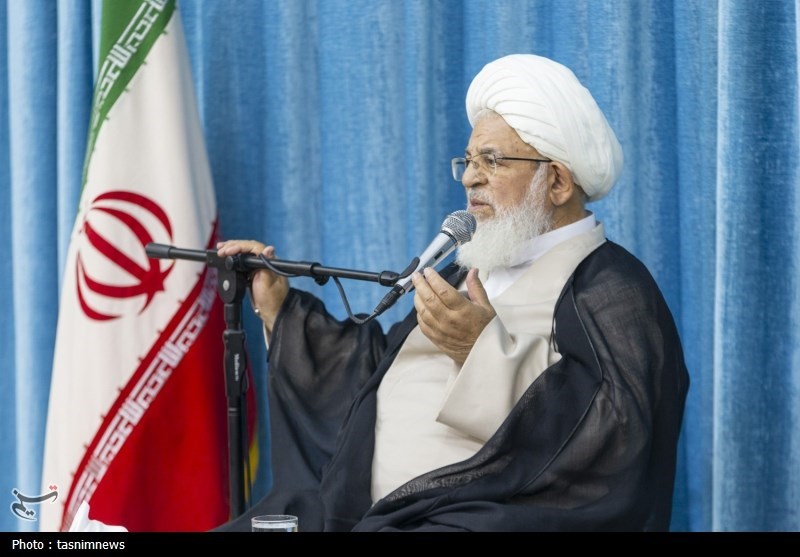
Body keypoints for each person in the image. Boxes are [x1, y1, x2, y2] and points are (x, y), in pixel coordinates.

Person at [214, 53, 689, 532]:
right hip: (361, 513)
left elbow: (618, 436)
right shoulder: (473, 268)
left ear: (558, 182)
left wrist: (481, 350)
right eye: (468, 160)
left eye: (492, 161)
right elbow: (379, 374)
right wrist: (281, 308)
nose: (468, 177)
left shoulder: (611, 287)